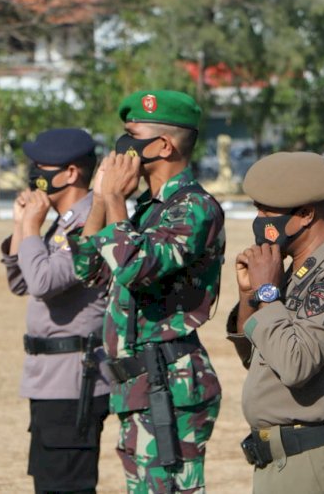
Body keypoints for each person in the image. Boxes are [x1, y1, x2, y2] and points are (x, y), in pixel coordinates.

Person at [67, 90, 225, 493]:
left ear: (163, 146)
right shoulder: (145, 209)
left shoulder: (193, 208)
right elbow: (89, 270)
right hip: (138, 385)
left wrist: (117, 199)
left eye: (131, 137)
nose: (121, 149)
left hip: (170, 384)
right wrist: (103, 199)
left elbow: (137, 267)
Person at [226, 151, 324, 494]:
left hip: (316, 462)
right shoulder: (296, 271)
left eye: (266, 211)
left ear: (304, 214)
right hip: (284, 461)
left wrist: (268, 294)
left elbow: (296, 363)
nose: (258, 220)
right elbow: (255, 358)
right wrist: (249, 295)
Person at [0, 128, 111, 494]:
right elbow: (20, 283)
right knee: (50, 482)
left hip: (72, 379)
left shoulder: (89, 222)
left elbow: (44, 282)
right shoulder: (62, 223)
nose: (35, 173)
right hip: (48, 378)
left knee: (67, 485)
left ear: (71, 173)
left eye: (42, 165)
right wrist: (22, 226)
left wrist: (32, 225)